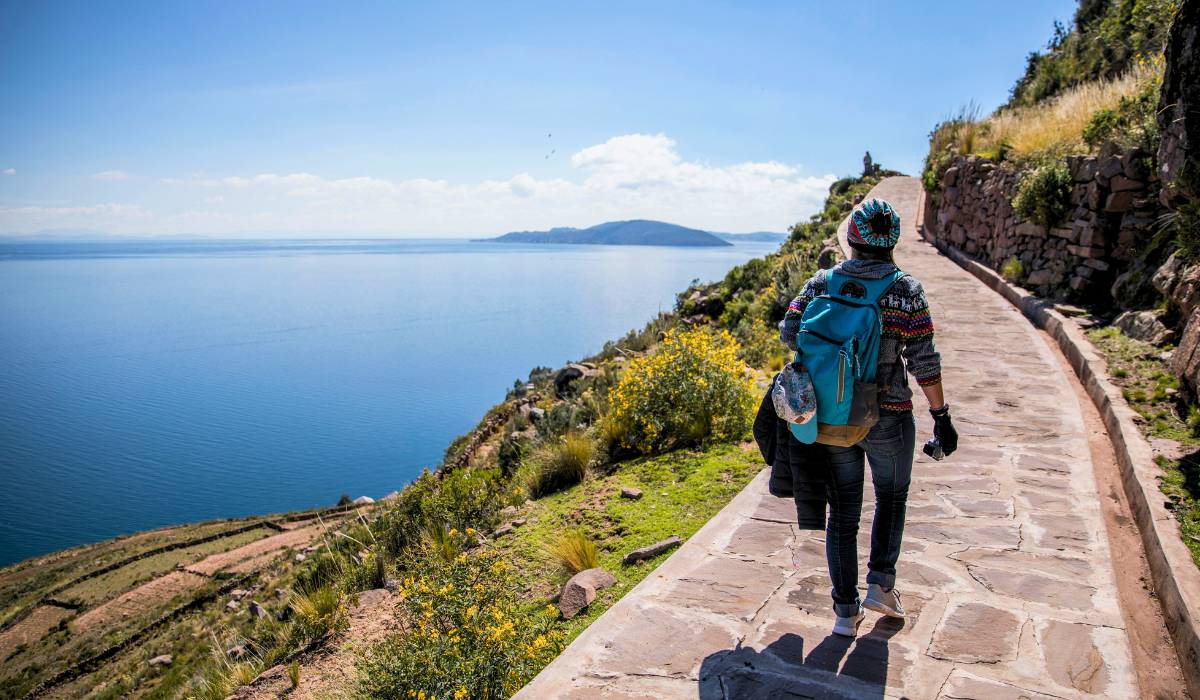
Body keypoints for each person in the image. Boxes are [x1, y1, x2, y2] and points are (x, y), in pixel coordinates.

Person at [778, 198, 957, 637]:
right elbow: (924, 360)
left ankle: (844, 612)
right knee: (891, 498)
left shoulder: (821, 283)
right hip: (889, 416)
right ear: (892, 241)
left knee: (843, 514)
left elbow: (788, 331)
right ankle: (881, 585)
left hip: (832, 418)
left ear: (853, 239)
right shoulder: (906, 290)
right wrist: (941, 414)